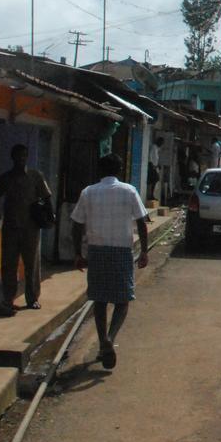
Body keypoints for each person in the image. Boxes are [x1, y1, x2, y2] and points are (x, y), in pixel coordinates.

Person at [70, 154, 150, 370]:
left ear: (100, 170)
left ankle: (102, 338)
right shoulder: (129, 190)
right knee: (122, 299)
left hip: (96, 252)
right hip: (121, 251)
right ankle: (109, 338)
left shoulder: (88, 192)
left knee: (99, 299)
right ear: (120, 169)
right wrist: (144, 251)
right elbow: (141, 223)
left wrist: (78, 253)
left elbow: (77, 224)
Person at [0, 144, 52, 310]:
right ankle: (8, 298)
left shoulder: (35, 176)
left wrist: (49, 218)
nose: (21, 159)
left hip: (31, 228)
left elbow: (47, 198)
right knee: (9, 264)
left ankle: (32, 298)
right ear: (12, 157)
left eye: (24, 156)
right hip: (11, 227)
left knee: (31, 265)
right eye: (18, 156)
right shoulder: (5, 179)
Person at [147, 136, 162, 203]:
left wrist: (158, 165)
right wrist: (152, 165)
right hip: (152, 166)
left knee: (155, 180)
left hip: (155, 167)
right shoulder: (153, 147)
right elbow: (150, 157)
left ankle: (151, 195)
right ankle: (150, 195)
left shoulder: (157, 148)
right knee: (155, 179)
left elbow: (156, 159)